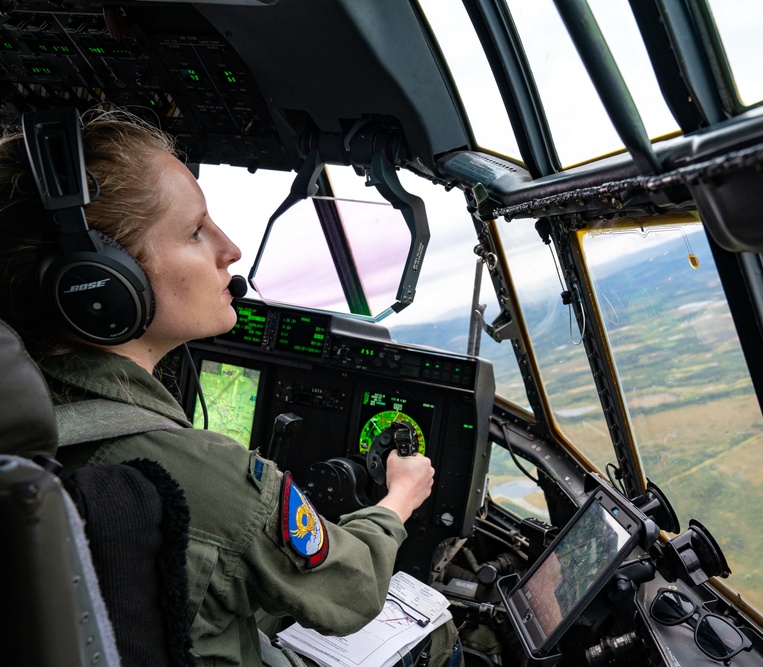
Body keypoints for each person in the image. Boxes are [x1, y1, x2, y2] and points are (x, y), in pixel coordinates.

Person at [0, 109, 459, 666]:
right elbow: (352, 590)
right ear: (101, 285)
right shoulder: (193, 472)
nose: (231, 249)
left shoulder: (20, 409)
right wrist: (399, 499)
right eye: (195, 231)